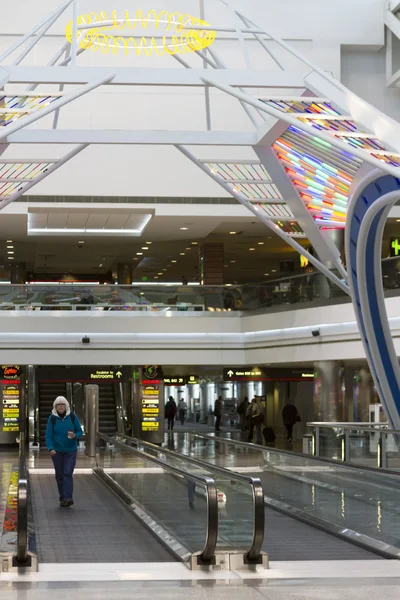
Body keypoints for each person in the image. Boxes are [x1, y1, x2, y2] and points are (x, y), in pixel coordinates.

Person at [45, 396, 83, 508]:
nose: (61, 407)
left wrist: (75, 435)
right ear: (55, 407)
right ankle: (62, 497)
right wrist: (50, 448)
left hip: (71, 450)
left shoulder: (72, 416)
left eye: (62, 405)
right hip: (57, 452)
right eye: (58, 405)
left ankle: (68, 497)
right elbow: (48, 435)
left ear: (66, 406)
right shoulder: (52, 419)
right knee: (60, 475)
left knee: (67, 472)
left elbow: (80, 431)